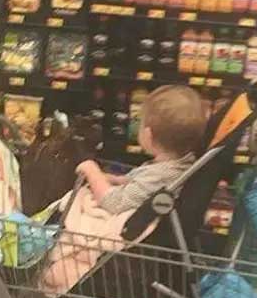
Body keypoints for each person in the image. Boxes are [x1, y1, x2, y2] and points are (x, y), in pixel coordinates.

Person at [75, 85, 205, 214]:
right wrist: (118, 180)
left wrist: (92, 170)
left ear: (148, 136)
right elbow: (142, 188)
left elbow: (113, 202)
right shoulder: (183, 166)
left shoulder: (158, 176)